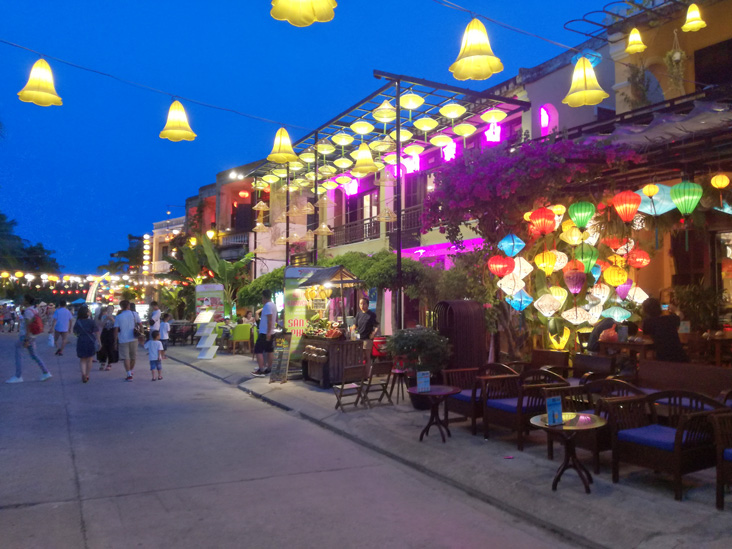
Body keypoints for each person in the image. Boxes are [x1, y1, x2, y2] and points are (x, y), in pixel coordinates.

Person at [6, 295, 52, 384]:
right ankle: (46, 372)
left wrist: (26, 339)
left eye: (23, 299)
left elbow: (28, 326)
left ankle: (18, 376)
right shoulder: (34, 310)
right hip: (33, 336)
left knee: (18, 353)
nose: (22, 301)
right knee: (34, 355)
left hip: (26, 336)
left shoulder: (28, 311)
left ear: (26, 301)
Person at [642, 297, 688, 362]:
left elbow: (647, 339)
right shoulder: (669, 319)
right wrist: (673, 308)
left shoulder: (647, 322)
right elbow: (681, 315)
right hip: (679, 356)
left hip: (662, 356)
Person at [252, 289, 276, 376]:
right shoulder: (273, 305)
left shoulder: (268, 306)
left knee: (258, 350)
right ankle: (269, 368)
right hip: (270, 331)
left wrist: (268, 332)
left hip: (265, 332)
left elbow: (270, 320)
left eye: (262, 297)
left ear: (264, 297)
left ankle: (261, 369)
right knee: (269, 350)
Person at [73, 306, 99, 383]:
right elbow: (97, 332)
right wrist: (99, 342)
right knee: (89, 359)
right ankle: (87, 375)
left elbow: (75, 332)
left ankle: (83, 373)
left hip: (81, 341)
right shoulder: (91, 322)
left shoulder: (78, 322)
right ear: (86, 313)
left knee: (82, 359)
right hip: (90, 341)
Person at [114, 300, 138, 381]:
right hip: (134, 338)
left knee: (126, 357)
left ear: (121, 307)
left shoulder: (118, 316)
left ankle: (129, 374)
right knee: (133, 357)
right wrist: (142, 335)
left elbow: (116, 329)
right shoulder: (134, 314)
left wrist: (115, 341)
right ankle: (130, 371)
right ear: (128, 306)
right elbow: (140, 325)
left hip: (123, 339)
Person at [353, 297, 379, 369]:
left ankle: (367, 375)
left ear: (367, 305)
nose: (362, 305)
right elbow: (355, 325)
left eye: (364, 304)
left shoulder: (371, 314)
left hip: (367, 339)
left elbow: (376, 326)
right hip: (359, 339)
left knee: (367, 357)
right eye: (360, 304)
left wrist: (374, 333)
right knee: (360, 357)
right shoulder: (358, 314)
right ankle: (361, 374)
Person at [98, 305, 117, 371]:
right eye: (108, 309)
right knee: (103, 348)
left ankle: (110, 363)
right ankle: (103, 362)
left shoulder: (115, 316)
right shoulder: (103, 316)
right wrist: (106, 319)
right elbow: (101, 325)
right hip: (105, 332)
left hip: (111, 332)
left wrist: (112, 319)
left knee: (111, 348)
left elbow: (116, 325)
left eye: (111, 309)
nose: (110, 310)